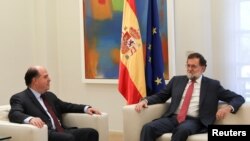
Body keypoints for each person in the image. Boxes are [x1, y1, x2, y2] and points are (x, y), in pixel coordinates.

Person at [135, 52, 245, 141]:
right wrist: (145, 100)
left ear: (203, 69)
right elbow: (161, 96)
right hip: (173, 118)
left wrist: (228, 107)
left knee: (182, 130)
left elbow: (238, 98)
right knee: (148, 128)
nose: (189, 69)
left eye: (194, 66)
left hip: (195, 121)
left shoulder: (213, 85)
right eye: (188, 65)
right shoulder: (176, 80)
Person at [8, 66, 101, 141]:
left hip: (62, 130)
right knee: (68, 138)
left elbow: (66, 106)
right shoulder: (20, 97)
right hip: (47, 134)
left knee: (91, 133)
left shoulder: (49, 95)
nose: (49, 79)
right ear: (34, 81)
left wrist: (85, 108)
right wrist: (30, 119)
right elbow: (14, 114)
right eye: (45, 77)